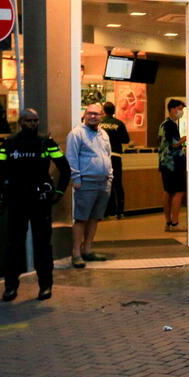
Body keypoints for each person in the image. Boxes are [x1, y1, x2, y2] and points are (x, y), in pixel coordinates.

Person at [0, 109, 70, 301]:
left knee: (43, 245)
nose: (33, 124)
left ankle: (45, 286)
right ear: (20, 122)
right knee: (14, 246)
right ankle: (10, 286)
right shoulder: (10, 143)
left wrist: (59, 191)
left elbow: (64, 168)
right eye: (29, 121)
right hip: (16, 200)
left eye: (36, 120)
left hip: (40, 201)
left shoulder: (46, 142)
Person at [66, 104, 113, 268]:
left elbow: (108, 155)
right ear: (84, 115)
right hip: (85, 182)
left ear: (102, 116)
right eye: (90, 113)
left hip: (103, 182)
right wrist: (76, 178)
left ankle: (88, 250)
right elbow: (71, 157)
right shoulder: (76, 133)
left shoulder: (104, 134)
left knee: (95, 218)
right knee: (81, 218)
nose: (93, 116)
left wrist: (110, 177)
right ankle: (76, 253)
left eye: (97, 114)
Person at [158, 99, 187, 231]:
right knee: (179, 191)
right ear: (172, 109)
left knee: (167, 191)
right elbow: (175, 144)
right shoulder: (172, 125)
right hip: (174, 163)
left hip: (164, 163)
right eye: (179, 109)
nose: (180, 112)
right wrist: (185, 138)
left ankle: (168, 222)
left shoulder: (163, 124)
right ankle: (175, 223)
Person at [100, 102, 130, 218]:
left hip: (102, 157)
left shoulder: (99, 124)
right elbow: (126, 140)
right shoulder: (119, 123)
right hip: (116, 156)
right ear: (114, 111)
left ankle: (107, 211)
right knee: (117, 183)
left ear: (103, 110)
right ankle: (120, 211)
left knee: (105, 184)